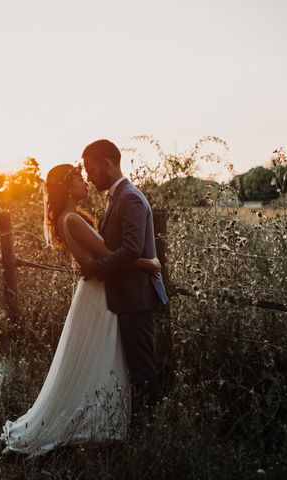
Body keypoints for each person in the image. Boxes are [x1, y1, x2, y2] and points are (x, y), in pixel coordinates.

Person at [0, 163, 162, 457]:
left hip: (97, 290)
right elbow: (109, 256)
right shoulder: (71, 219)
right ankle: (97, 422)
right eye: (78, 179)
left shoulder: (68, 218)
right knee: (100, 354)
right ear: (65, 187)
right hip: (98, 293)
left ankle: (102, 418)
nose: (85, 183)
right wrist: (148, 263)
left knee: (98, 354)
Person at [79, 139, 169, 415]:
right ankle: (138, 421)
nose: (88, 177)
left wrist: (97, 268)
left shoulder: (129, 197)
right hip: (127, 296)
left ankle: (148, 426)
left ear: (107, 164)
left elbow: (130, 249)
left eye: (90, 170)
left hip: (137, 297)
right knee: (133, 364)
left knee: (142, 366)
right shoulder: (117, 196)